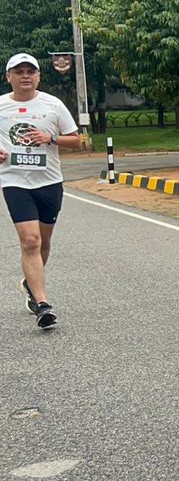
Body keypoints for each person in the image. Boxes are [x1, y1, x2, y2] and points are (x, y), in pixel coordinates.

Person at [0, 53, 80, 329]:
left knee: (44, 242)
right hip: (14, 181)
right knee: (30, 241)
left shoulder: (52, 105)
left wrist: (51, 138)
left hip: (49, 182)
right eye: (18, 71)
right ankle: (42, 304)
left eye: (30, 71)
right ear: (8, 76)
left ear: (38, 77)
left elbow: (77, 141)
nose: (25, 76)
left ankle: (29, 282)